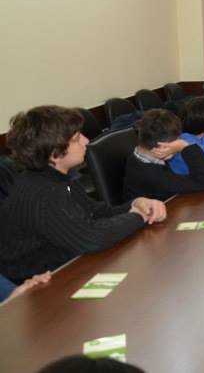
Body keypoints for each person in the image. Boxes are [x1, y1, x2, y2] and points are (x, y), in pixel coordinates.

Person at [0, 106, 166, 284]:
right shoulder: (43, 192)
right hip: (38, 286)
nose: (86, 141)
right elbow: (91, 238)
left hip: (66, 265)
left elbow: (97, 212)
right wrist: (139, 217)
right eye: (77, 138)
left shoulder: (57, 177)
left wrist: (136, 204)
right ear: (54, 153)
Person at [122, 109, 204, 201]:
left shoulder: (137, 157)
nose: (179, 142)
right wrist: (184, 146)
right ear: (163, 147)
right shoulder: (155, 177)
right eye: (177, 140)